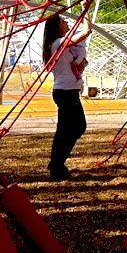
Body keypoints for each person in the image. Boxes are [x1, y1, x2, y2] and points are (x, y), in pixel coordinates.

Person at [42, 14, 90, 180]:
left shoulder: (61, 45)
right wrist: (86, 12)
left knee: (67, 129)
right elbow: (86, 32)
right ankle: (56, 164)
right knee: (76, 127)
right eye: (63, 21)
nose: (67, 22)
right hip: (65, 92)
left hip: (68, 91)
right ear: (57, 27)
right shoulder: (58, 43)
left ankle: (56, 164)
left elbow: (74, 66)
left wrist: (81, 65)